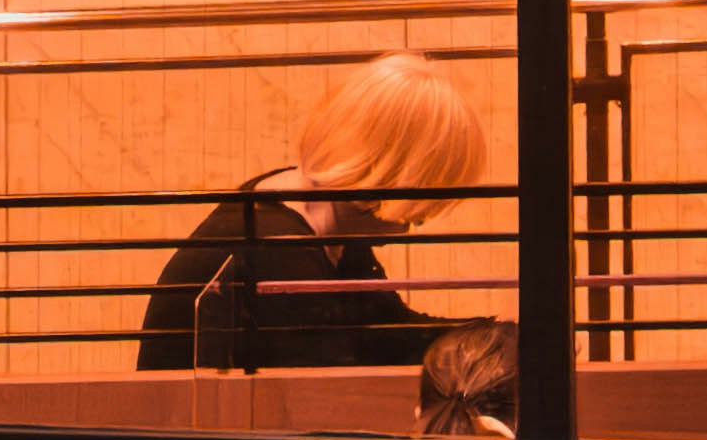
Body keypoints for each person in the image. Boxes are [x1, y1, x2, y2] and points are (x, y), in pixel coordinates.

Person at [136, 52, 494, 372]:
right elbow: (333, 384)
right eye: (413, 213)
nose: (409, 228)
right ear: (381, 173)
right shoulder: (276, 248)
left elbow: (387, 330)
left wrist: (495, 338)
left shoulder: (317, 216)